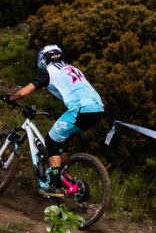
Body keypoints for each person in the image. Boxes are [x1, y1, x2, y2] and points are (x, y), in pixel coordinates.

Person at [11, 44, 105, 193]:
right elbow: (76, 92)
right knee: (63, 138)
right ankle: (62, 174)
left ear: (43, 59)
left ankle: (55, 183)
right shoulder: (73, 69)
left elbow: (23, 93)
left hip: (81, 109)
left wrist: (11, 99)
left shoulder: (49, 72)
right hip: (98, 108)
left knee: (51, 140)